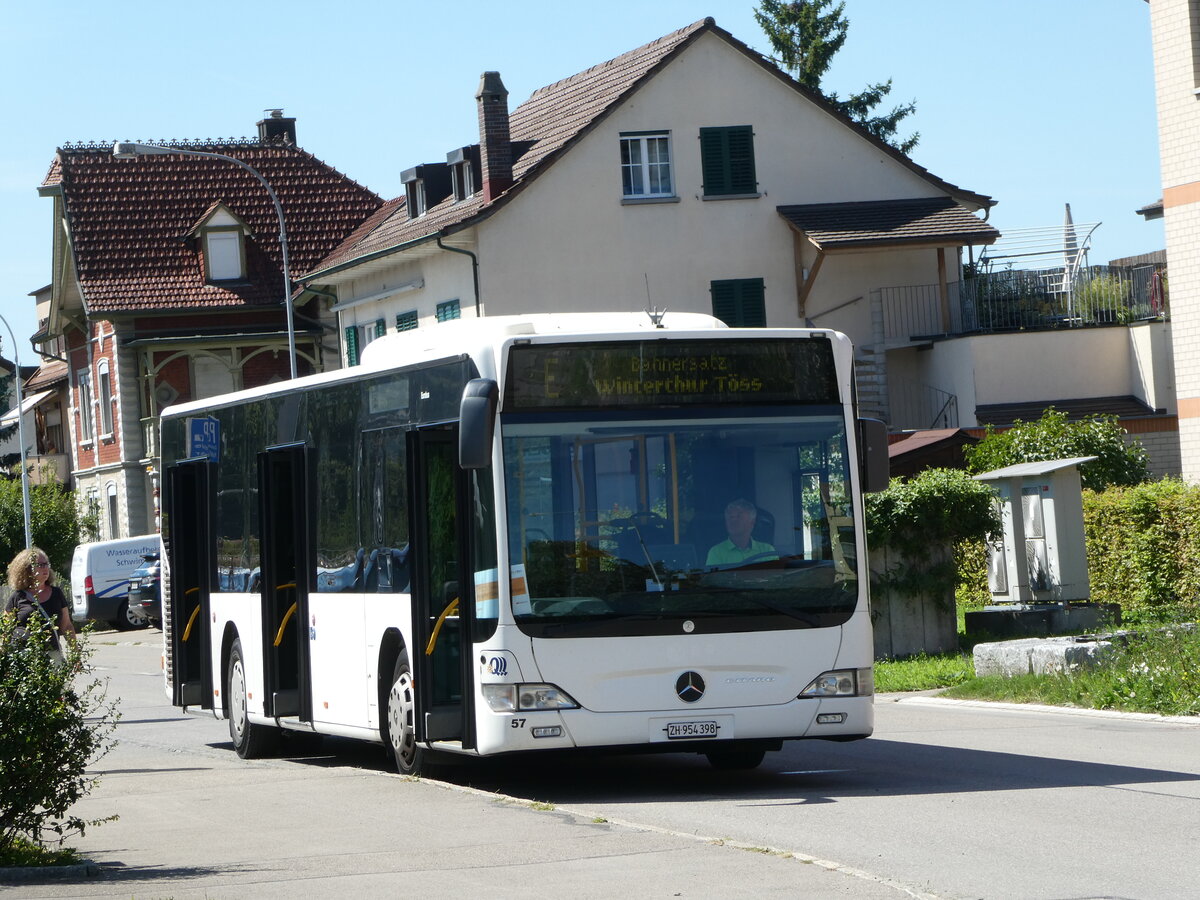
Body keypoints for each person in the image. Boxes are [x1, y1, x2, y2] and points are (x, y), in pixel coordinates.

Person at [3, 546, 76, 659]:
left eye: (47, 564)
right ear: (27, 569)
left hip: (53, 656)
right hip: (23, 658)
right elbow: (6, 630)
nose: (45, 568)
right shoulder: (18, 597)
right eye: (40, 565)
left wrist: (75, 653)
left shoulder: (57, 594)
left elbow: (66, 626)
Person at [706, 498, 778, 567]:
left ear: (752, 522)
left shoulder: (767, 551)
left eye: (739, 516)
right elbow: (714, 579)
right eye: (730, 517)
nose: (733, 520)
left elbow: (775, 577)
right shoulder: (716, 552)